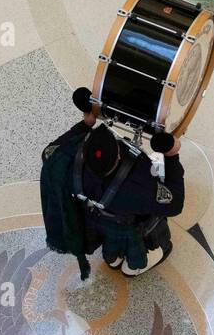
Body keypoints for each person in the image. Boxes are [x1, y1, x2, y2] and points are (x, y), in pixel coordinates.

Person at [40, 87, 184, 279]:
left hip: (96, 218)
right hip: (126, 223)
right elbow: (175, 204)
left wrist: (85, 124)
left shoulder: (65, 160)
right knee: (143, 233)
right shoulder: (136, 187)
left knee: (111, 244)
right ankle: (134, 266)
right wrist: (172, 155)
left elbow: (49, 153)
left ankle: (112, 259)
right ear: (118, 156)